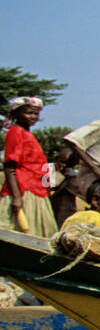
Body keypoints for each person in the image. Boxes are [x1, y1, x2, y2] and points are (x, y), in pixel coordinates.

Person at [1, 96, 57, 238]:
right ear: (16, 113)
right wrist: (17, 197)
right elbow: (9, 167)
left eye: (35, 113)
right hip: (24, 191)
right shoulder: (15, 132)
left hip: (36, 190)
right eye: (28, 113)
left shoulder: (27, 134)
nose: (32, 117)